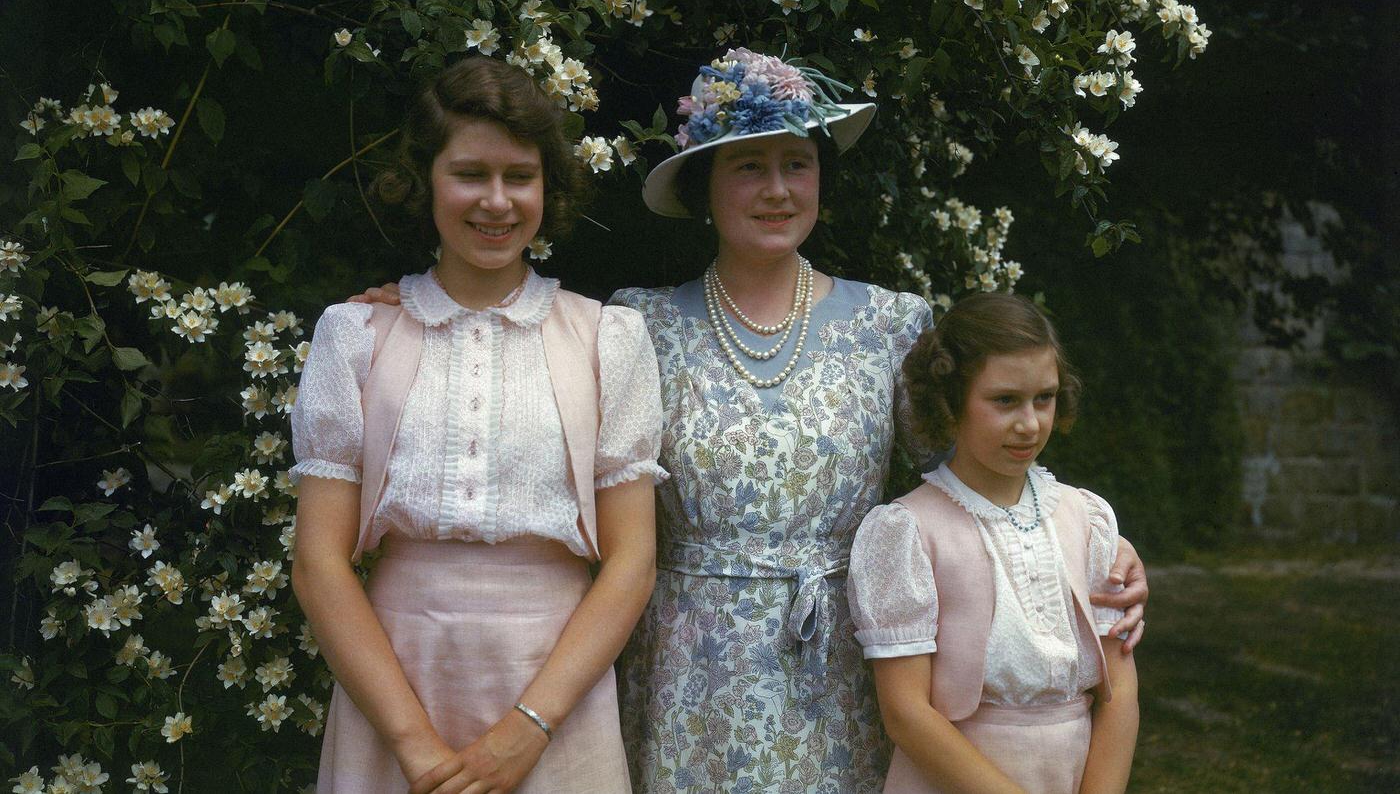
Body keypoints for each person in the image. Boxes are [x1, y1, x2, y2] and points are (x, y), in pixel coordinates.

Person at [352, 47, 1148, 793]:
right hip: (684, 669)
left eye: (796, 165)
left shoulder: (891, 325)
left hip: (848, 661)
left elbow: (979, 480)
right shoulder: (637, 325)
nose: (777, 188)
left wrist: (1091, 548)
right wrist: (416, 311)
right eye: (749, 167)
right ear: (703, 186)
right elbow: (524, 400)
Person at [290, 57, 665, 794]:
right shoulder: (357, 334)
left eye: (519, 176)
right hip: (396, 675)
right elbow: (318, 562)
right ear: (425, 179)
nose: (496, 201)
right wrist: (416, 746)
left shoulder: (605, 338)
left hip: (554, 681)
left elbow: (632, 562)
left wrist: (528, 726)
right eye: (469, 173)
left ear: (546, 188)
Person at [847, 292, 1139, 794]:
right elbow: (906, 712)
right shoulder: (908, 532)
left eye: (1043, 398)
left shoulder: (1086, 519)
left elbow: (1121, 691)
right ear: (950, 400)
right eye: (1004, 401)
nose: (1029, 423)